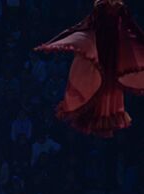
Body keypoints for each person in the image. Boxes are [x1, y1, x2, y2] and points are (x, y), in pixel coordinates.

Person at [35, 0, 144, 137]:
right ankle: (98, 120)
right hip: (102, 52)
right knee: (100, 85)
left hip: (111, 53)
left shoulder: (116, 8)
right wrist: (54, 42)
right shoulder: (103, 7)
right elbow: (82, 26)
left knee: (107, 87)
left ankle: (102, 121)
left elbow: (132, 28)